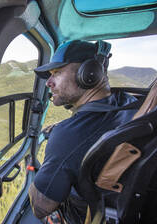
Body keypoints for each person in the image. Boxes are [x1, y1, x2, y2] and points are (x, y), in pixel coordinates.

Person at [28, 40, 138, 224]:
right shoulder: (127, 102)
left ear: (88, 74)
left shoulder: (68, 136)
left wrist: (32, 172)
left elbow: (40, 208)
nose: (48, 82)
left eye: (57, 72)